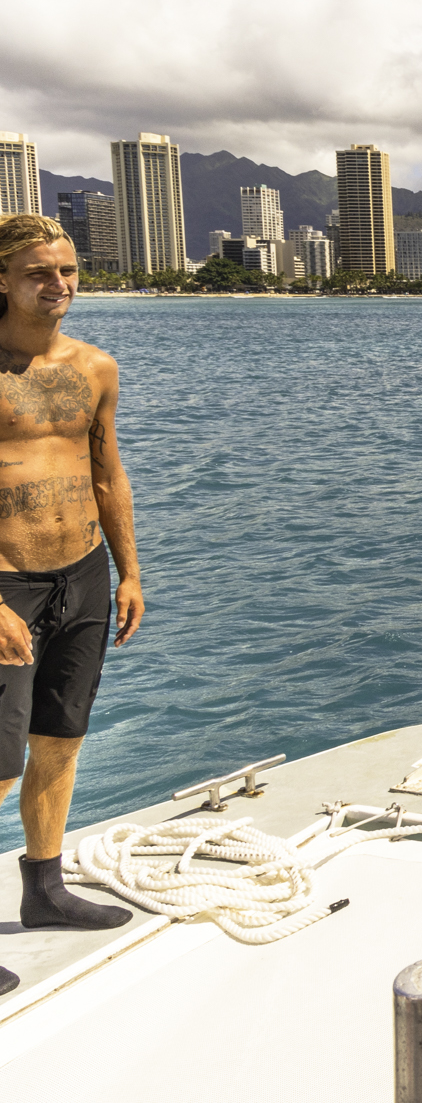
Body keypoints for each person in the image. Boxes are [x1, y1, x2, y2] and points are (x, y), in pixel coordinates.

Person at [0, 216, 144, 998]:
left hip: (82, 575)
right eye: (38, 272)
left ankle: (44, 889)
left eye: (68, 271)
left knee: (60, 740)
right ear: (2, 279)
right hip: (6, 582)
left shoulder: (95, 367)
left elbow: (107, 473)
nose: (58, 285)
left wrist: (128, 572)